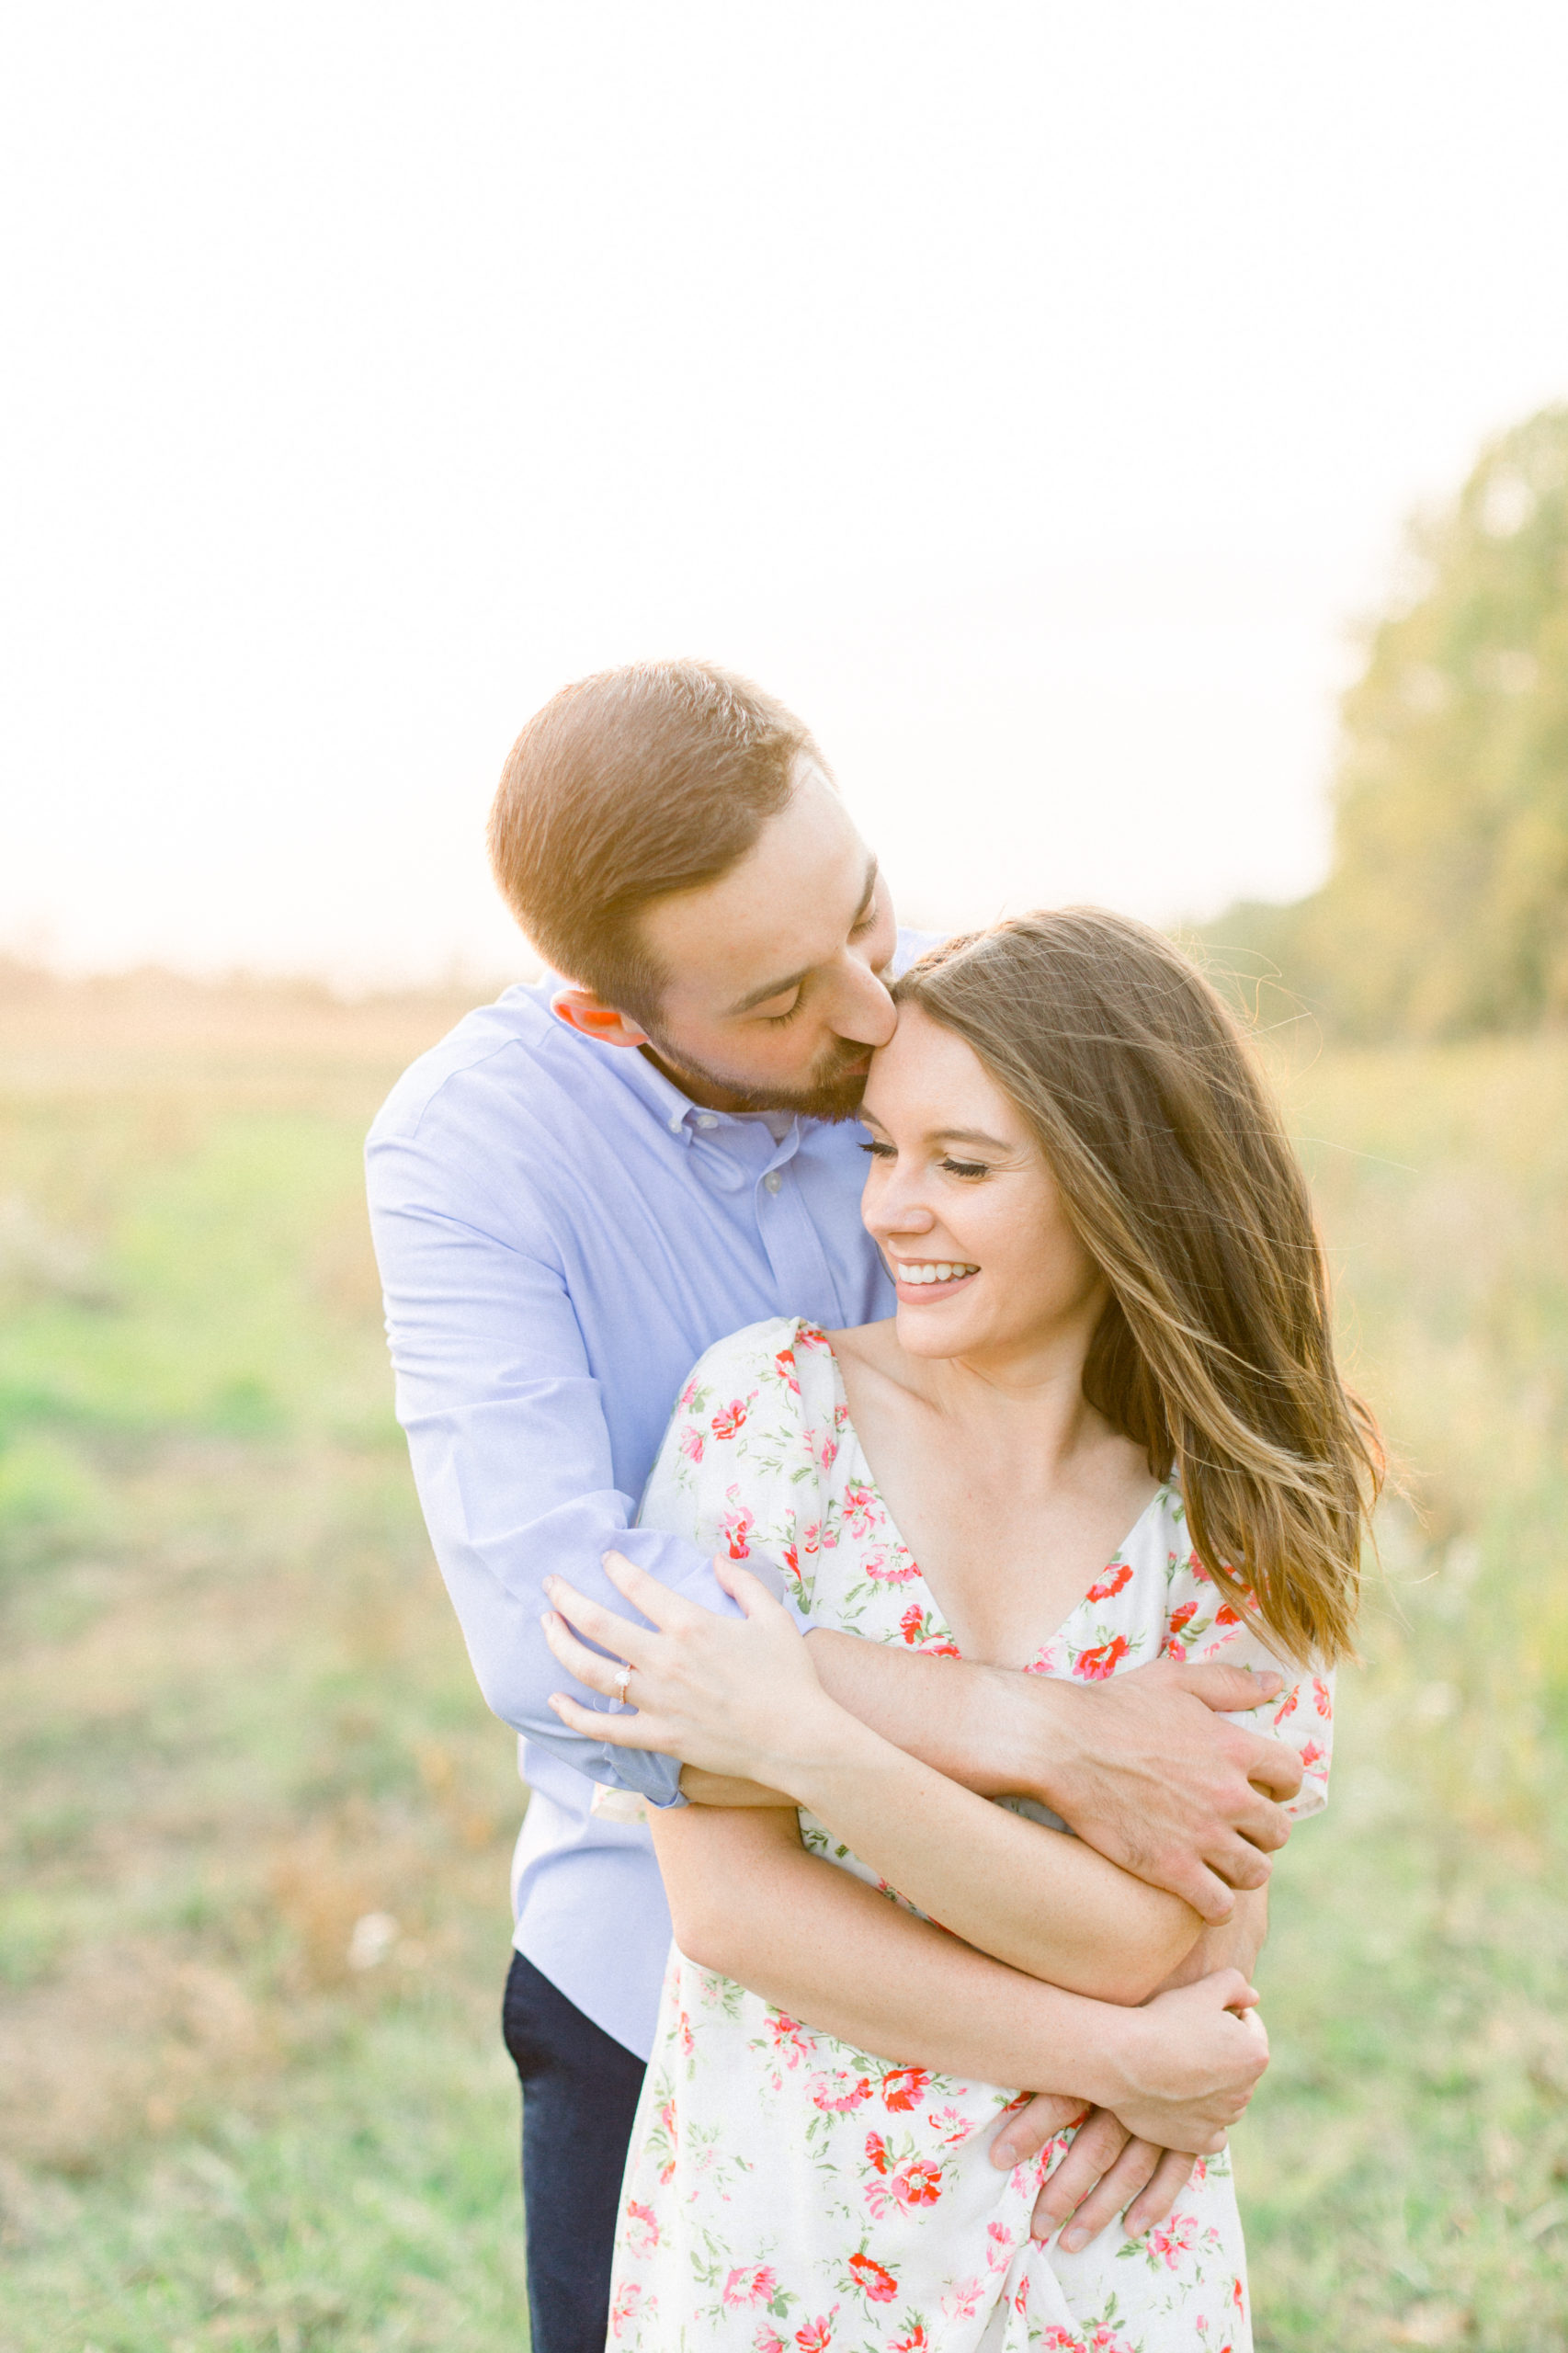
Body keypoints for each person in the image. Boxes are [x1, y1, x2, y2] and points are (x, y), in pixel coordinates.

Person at [366, 666, 1310, 2353]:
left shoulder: (936, 1046)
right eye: (794, 992)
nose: (874, 1009)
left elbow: (1214, 1702)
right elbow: (560, 1633)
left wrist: (1184, 1977)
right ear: (616, 1015)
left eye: (871, 911)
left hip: (1066, 2040)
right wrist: (1042, 1739)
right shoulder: (482, 1159)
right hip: (680, 1996)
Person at [542, 910, 1381, 2350]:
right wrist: (1129, 2054)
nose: (889, 1210)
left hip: (1097, 2258)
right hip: (794, 2250)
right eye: (879, 1149)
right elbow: (733, 1907)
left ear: (1121, 1187)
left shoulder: (1228, 1503)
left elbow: (1148, 1943)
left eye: (963, 1165)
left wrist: (803, 1737)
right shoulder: (767, 1417)